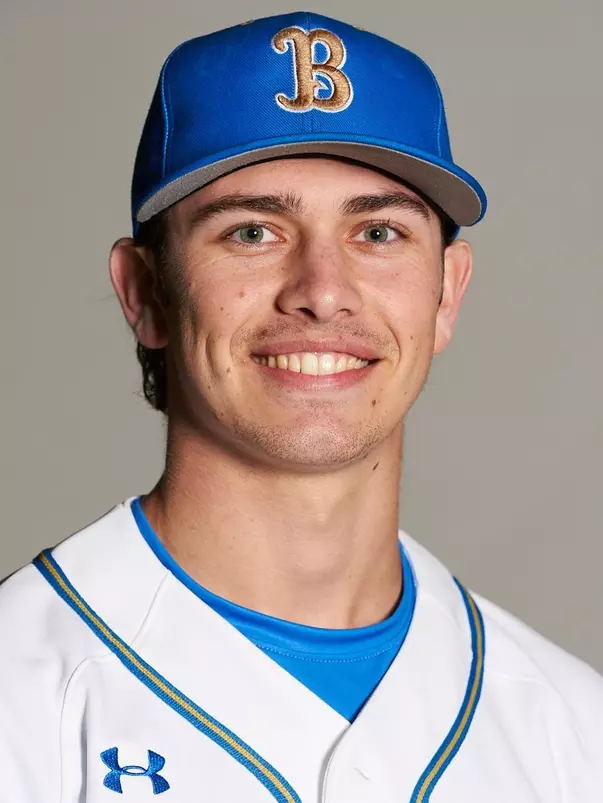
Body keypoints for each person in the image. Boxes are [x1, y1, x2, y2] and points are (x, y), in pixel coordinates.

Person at [1, 11, 601, 802]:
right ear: (144, 292)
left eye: (378, 232)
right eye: (252, 231)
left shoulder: (572, 727)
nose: (321, 291)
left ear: (446, 293)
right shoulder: (21, 689)